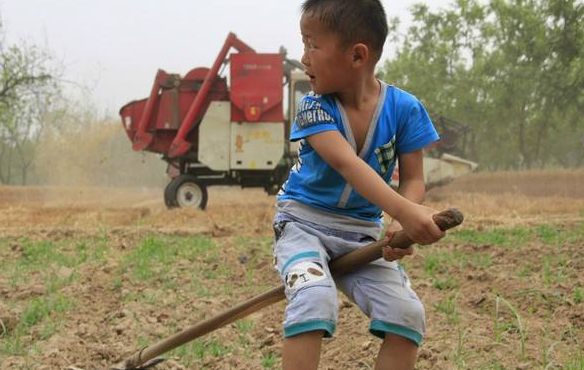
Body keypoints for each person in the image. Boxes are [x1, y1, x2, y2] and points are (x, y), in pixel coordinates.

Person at [272, 0, 445, 369]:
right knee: (313, 297)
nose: (304, 57)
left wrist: (401, 224)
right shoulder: (314, 107)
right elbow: (345, 163)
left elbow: (413, 179)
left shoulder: (406, 109)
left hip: (363, 235)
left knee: (406, 314)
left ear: (357, 55)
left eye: (312, 45)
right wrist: (405, 212)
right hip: (303, 227)